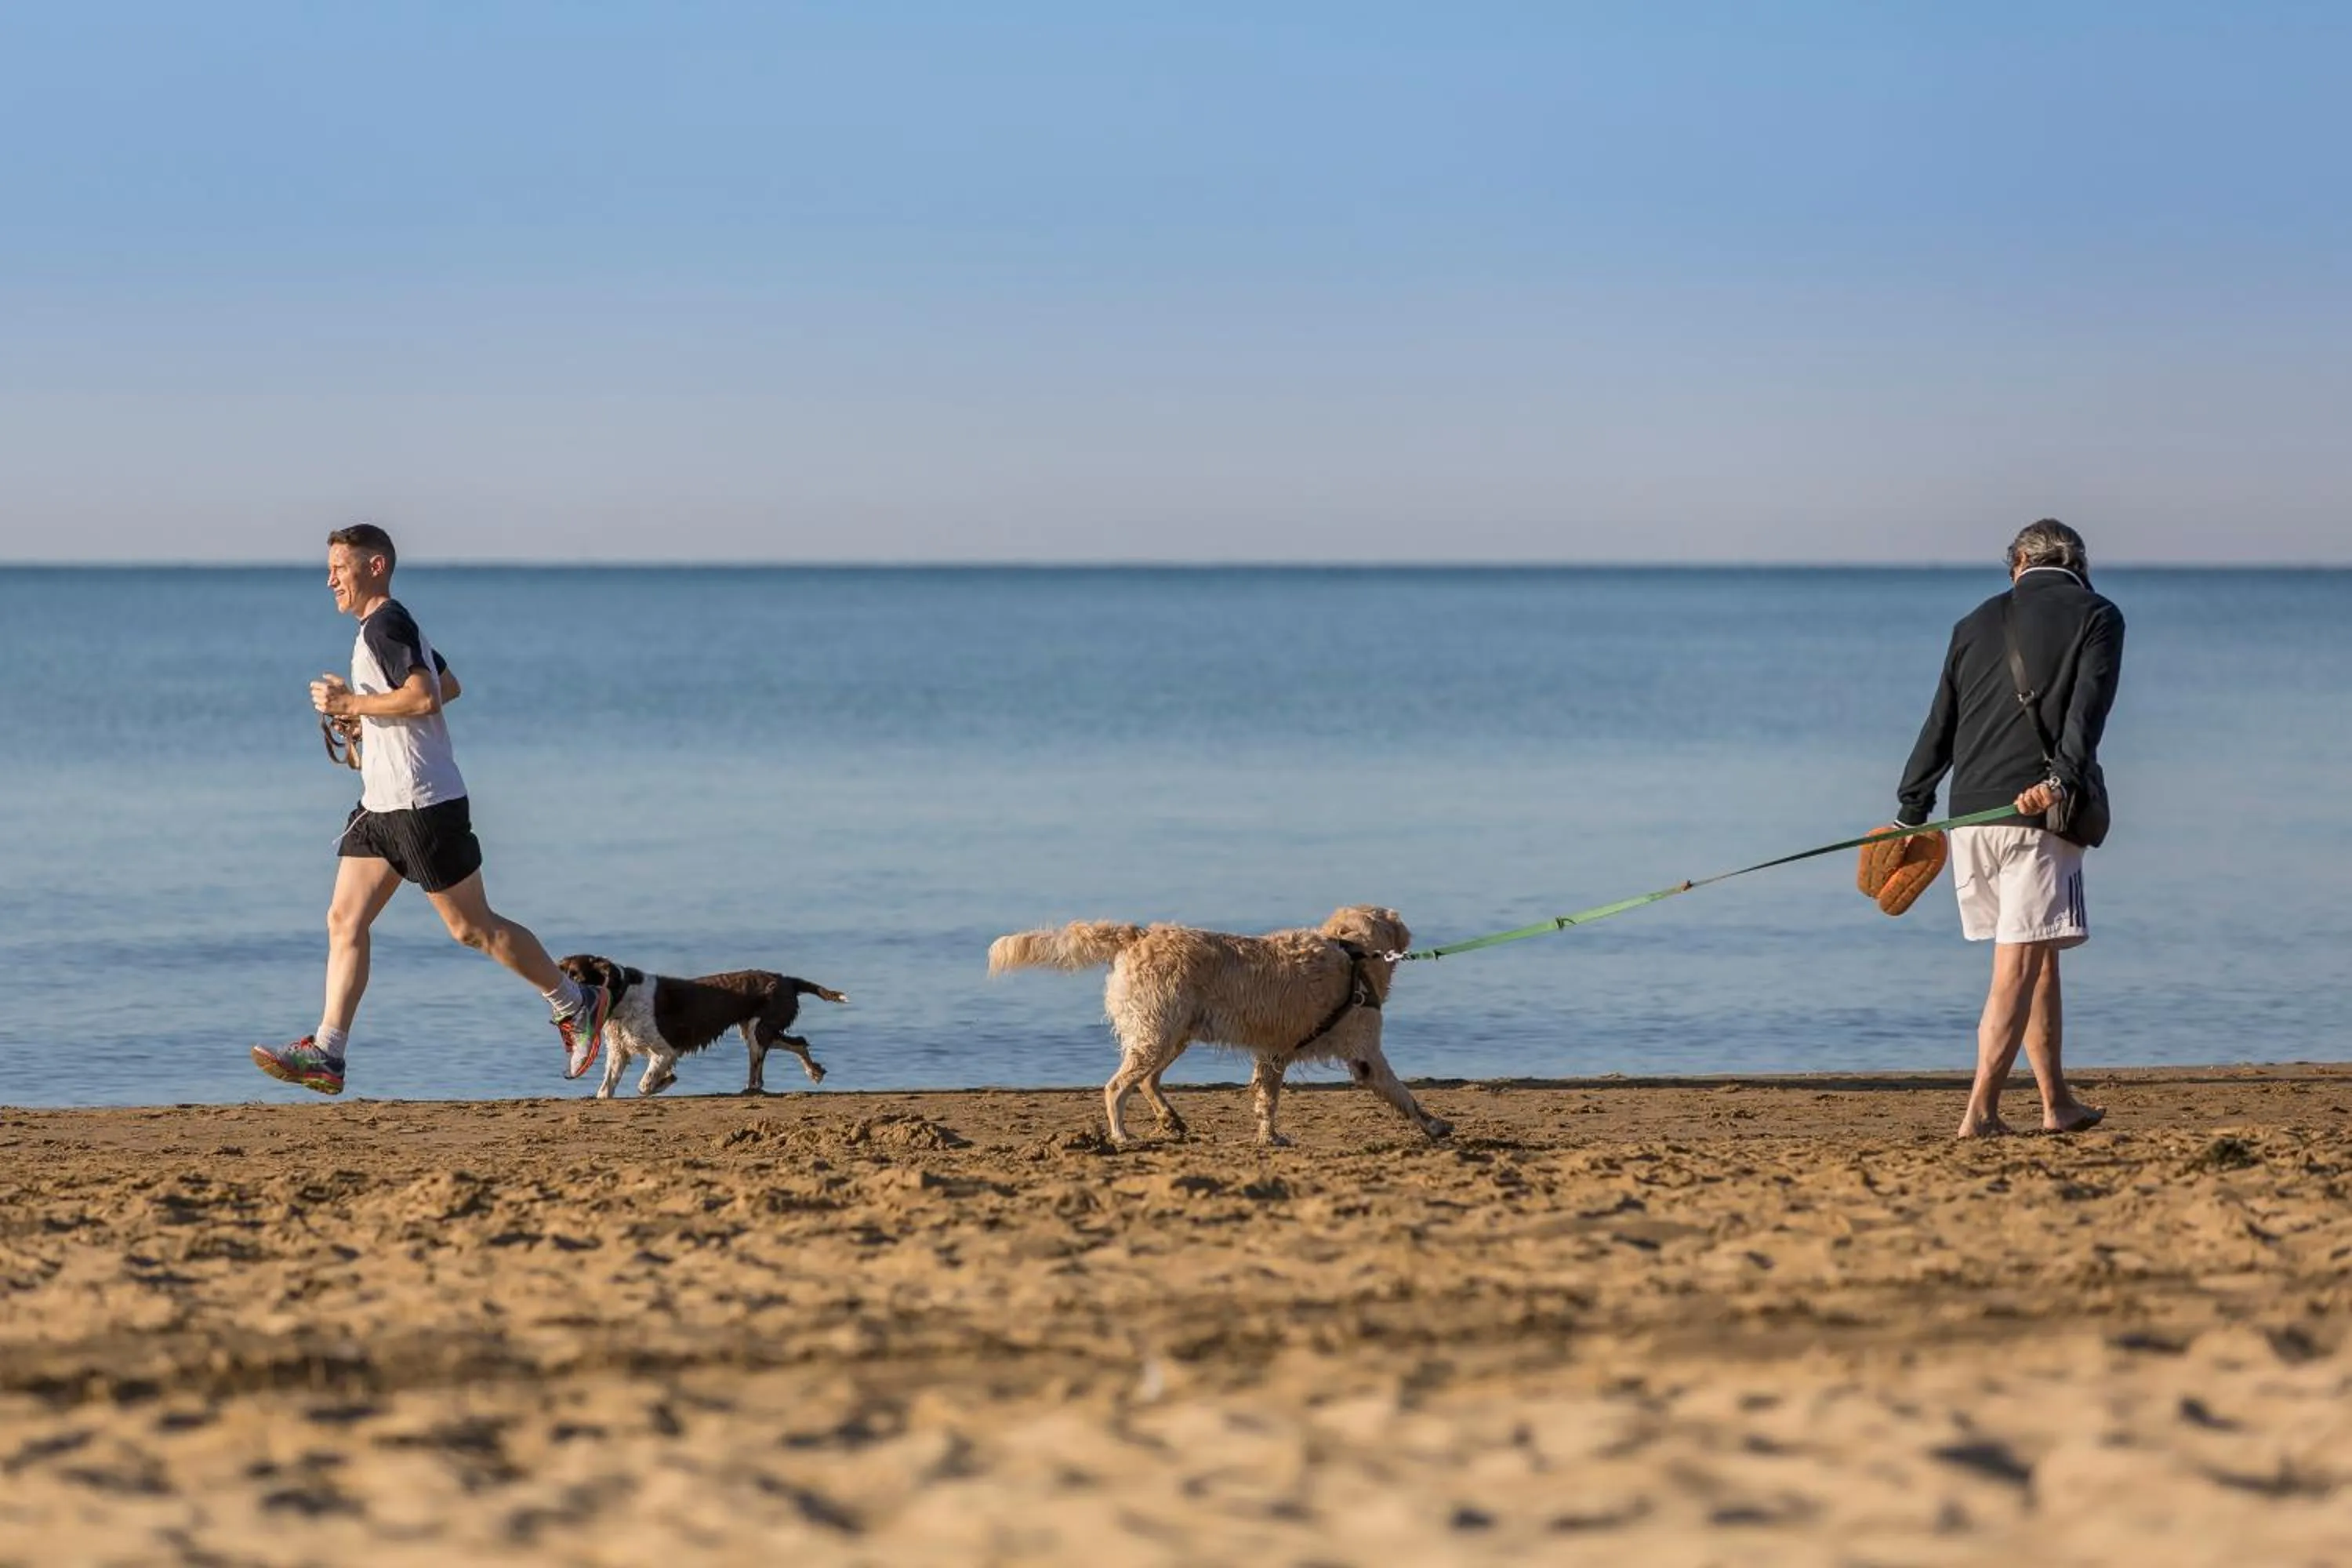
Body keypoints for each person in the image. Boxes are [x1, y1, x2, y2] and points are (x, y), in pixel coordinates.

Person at [250, 524, 609, 1094]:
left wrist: (353, 702)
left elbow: (425, 696)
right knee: (344, 919)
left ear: (374, 567)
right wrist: (363, 717)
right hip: (381, 807)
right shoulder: (384, 628)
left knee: (473, 928)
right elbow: (449, 685)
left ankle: (578, 1003)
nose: (329, 580)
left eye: (339, 569)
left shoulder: (388, 622)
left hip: (423, 803)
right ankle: (327, 1053)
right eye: (329, 570)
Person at [1891, 518, 2125, 1138]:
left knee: (2037, 957)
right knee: (2016, 968)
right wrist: (2062, 782)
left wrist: (1909, 811)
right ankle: (1981, 1114)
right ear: (2077, 564)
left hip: (1971, 819)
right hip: (2036, 816)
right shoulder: (2098, 616)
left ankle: (2057, 1105)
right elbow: (2088, 713)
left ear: (2018, 562)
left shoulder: (1973, 622)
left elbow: (1939, 723)